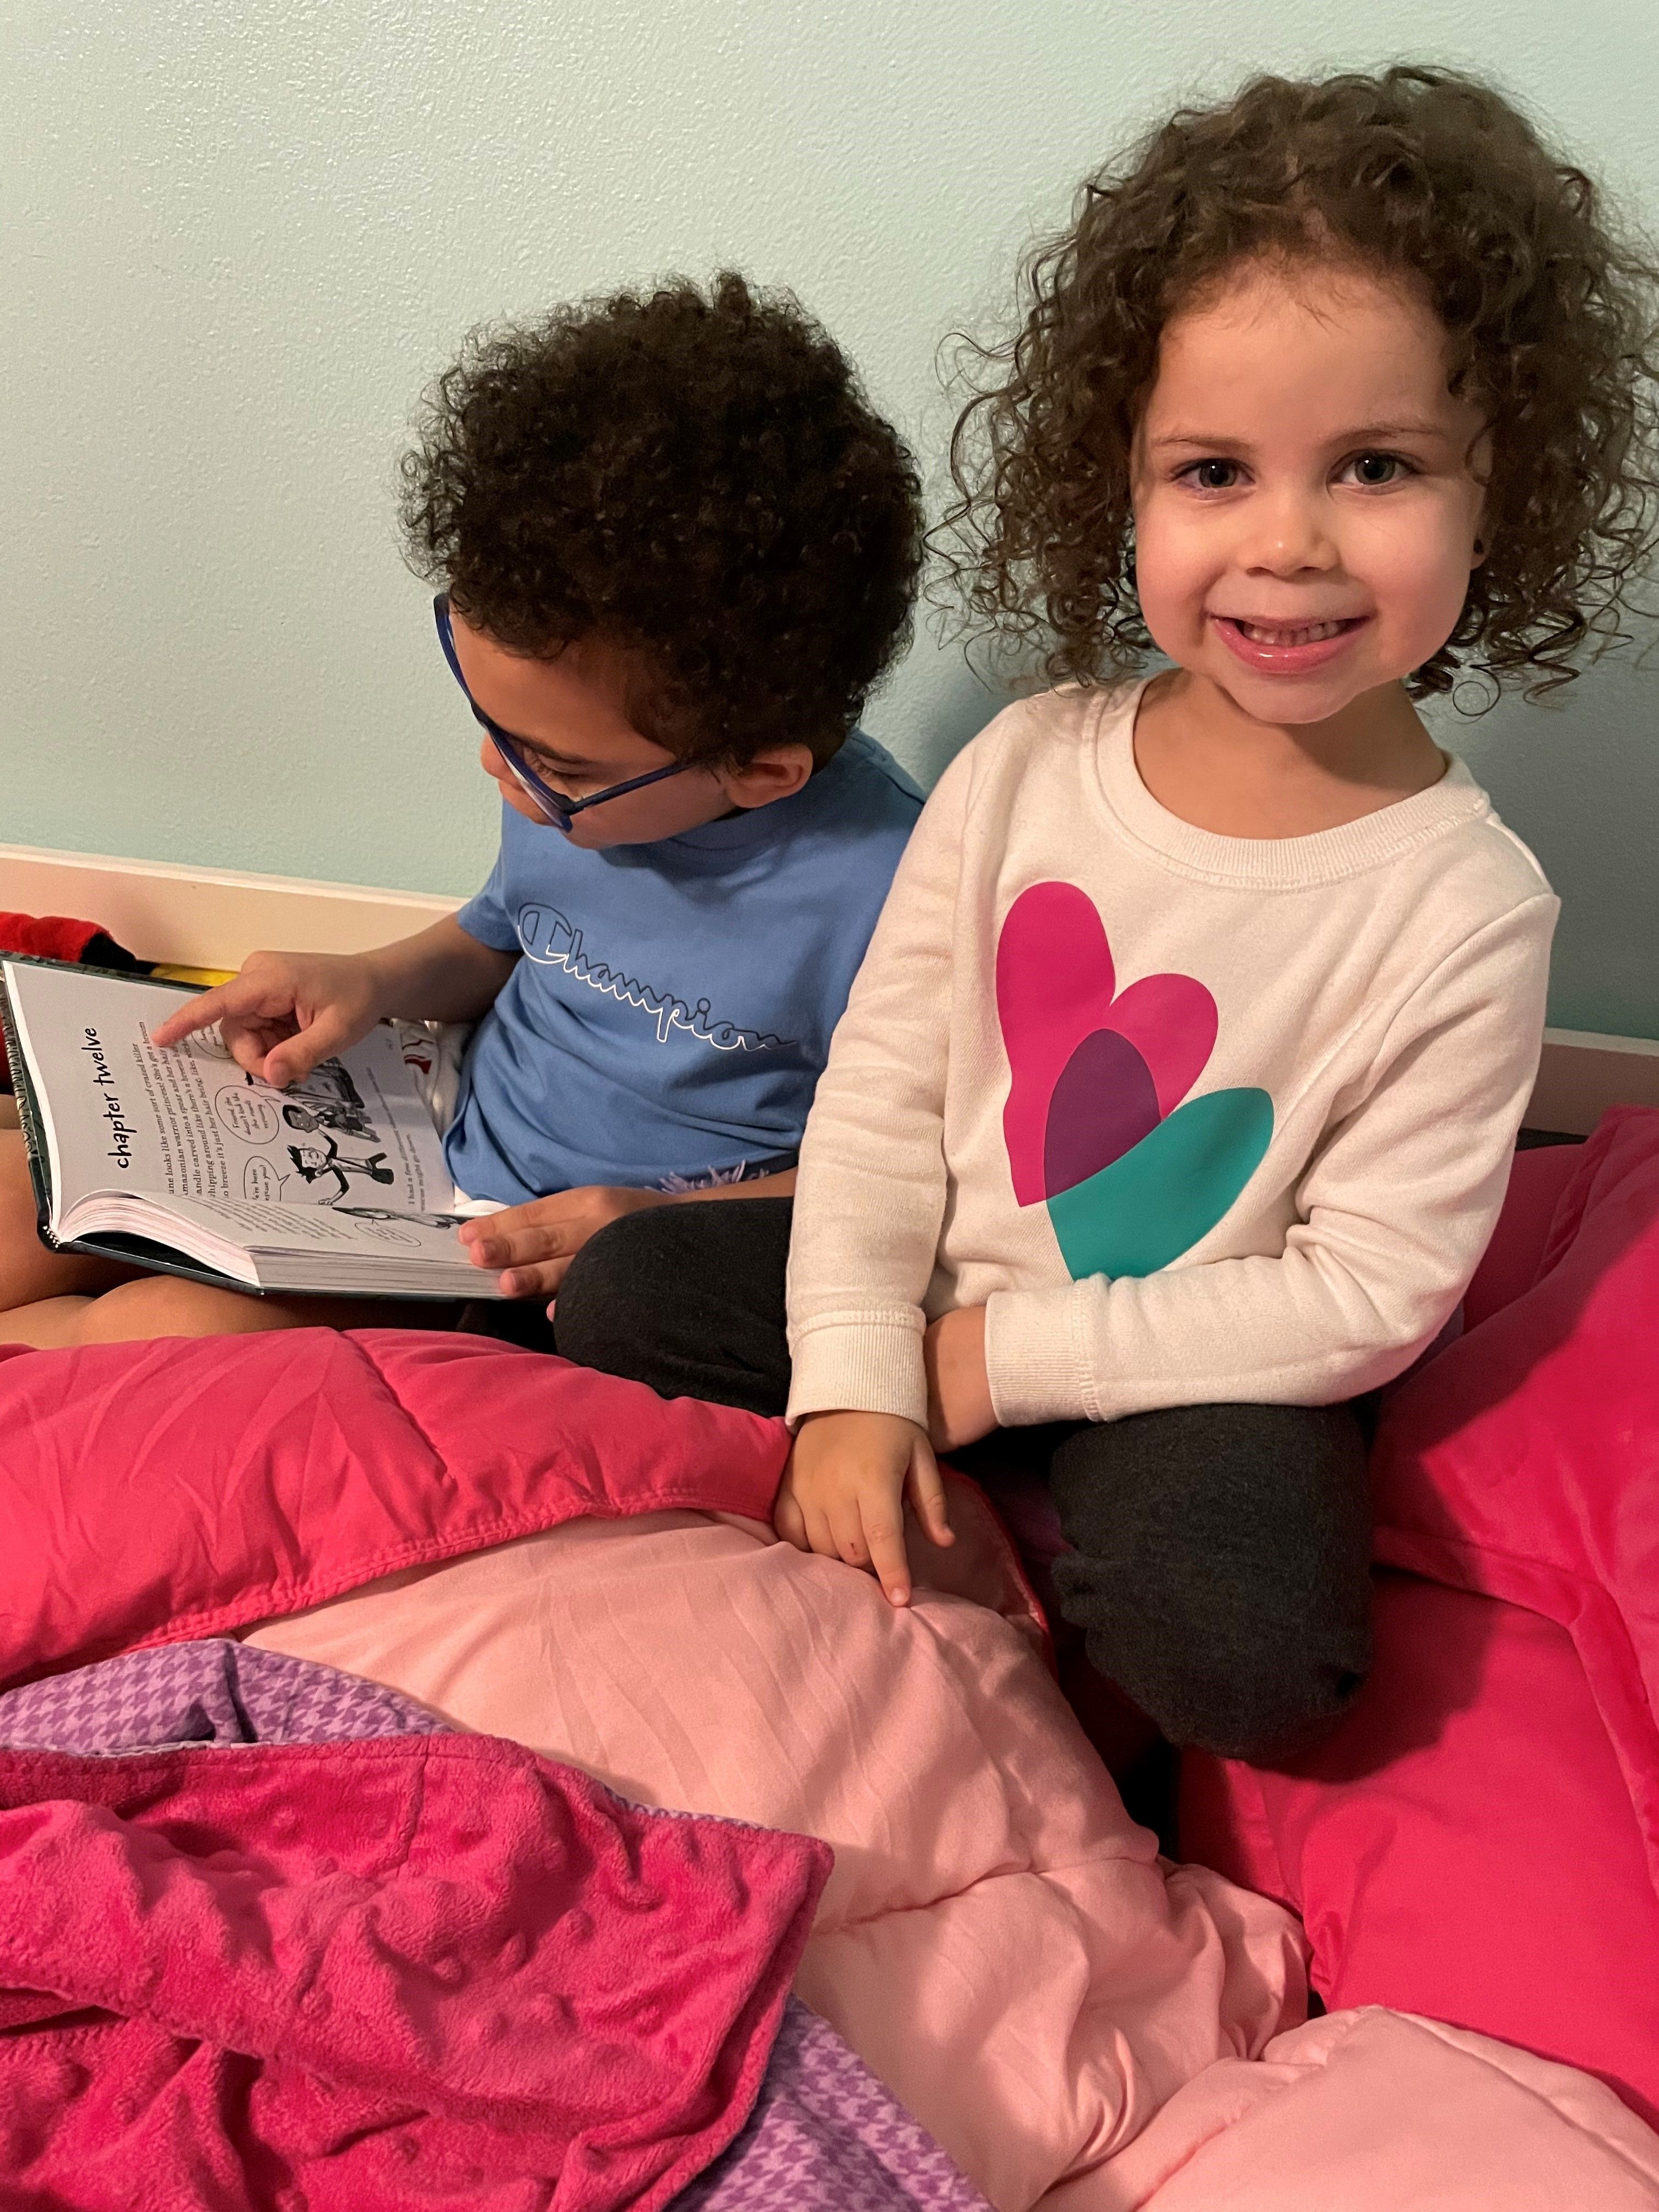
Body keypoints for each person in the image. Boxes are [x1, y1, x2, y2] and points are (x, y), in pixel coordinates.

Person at [550, 69, 1659, 1762]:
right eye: (1214, 470)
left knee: (1263, 1662)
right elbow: (887, 1089)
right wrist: (858, 1372)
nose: (1289, 544)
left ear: (1498, 486)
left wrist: (983, 1371)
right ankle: (927, 1483)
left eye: (1375, 466)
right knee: (624, 1289)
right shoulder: (1026, 764)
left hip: (1187, 1365)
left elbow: (1359, 1295)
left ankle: (997, 1514)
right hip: (926, 1284)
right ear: (1118, 482)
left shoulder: (1467, 903)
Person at [0, 274, 924, 1347]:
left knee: (161, 1335)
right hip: (415, 1132)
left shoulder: (893, 887)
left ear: (760, 773)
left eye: (557, 769)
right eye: (492, 724)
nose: (499, 771)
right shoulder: (575, 779)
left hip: (528, 1264)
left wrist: (666, 1226)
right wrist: (372, 979)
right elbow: (503, 937)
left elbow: (909, 1175)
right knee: (19, 1199)